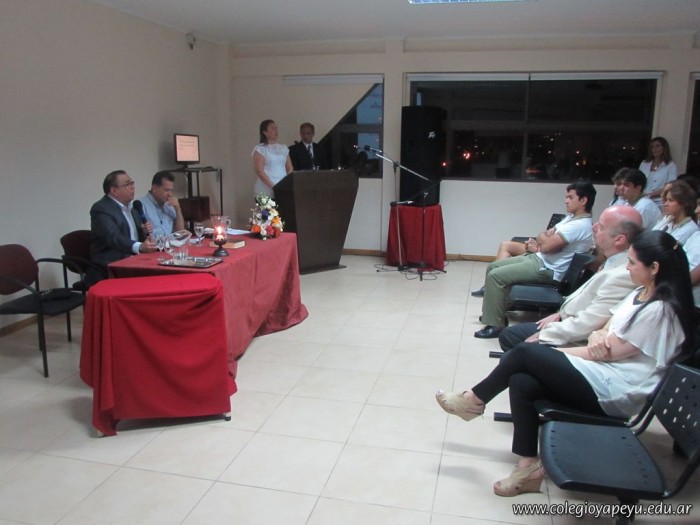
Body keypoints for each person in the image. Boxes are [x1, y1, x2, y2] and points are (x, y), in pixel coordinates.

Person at [437, 230, 694, 498]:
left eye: (632, 262)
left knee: (526, 353)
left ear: (654, 268)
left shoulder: (659, 311)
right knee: (521, 380)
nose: (626, 267)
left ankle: (473, 400)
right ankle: (527, 468)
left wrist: (558, 353)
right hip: (602, 374)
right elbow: (604, 330)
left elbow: (605, 352)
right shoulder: (641, 293)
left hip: (616, 391)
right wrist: (598, 337)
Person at [498, 205, 643, 351]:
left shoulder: (624, 274)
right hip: (568, 319)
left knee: (510, 337)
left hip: (577, 339)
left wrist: (545, 335)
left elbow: (588, 324)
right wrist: (560, 314)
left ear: (619, 239)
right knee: (510, 336)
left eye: (601, 226)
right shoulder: (612, 260)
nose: (594, 227)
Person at [475, 182, 596, 339]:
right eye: (566, 197)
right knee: (493, 267)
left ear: (583, 200)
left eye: (570, 197)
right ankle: (494, 313)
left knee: (496, 276)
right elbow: (545, 238)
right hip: (541, 259)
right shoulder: (570, 219)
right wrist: (544, 238)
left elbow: (545, 245)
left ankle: (496, 325)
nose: (566, 201)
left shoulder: (579, 225)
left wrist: (544, 238)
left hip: (549, 269)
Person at [86, 170, 157, 288]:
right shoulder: (101, 209)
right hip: (110, 264)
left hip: (134, 261)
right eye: (127, 184)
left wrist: (143, 232)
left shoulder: (133, 208)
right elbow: (113, 237)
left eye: (132, 183)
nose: (132, 187)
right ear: (114, 190)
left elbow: (133, 237)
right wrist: (140, 247)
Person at [138, 171, 185, 238]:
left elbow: (180, 233)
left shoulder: (169, 205)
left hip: (170, 243)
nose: (170, 194)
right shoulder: (140, 205)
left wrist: (178, 209)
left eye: (171, 190)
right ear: (154, 189)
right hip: (153, 244)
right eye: (166, 190)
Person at [253, 119, 293, 197]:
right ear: (265, 132)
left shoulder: (283, 148)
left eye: (276, 128)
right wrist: (274, 186)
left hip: (282, 188)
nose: (276, 130)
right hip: (264, 191)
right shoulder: (260, 149)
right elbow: (259, 171)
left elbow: (289, 168)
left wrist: (286, 184)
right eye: (272, 128)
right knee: (267, 205)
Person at [651, 180, 698, 244]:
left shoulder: (690, 228)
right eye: (666, 200)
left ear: (684, 203)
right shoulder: (667, 220)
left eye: (671, 200)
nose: (666, 204)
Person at [639, 136, 678, 208]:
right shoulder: (644, 163)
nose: (654, 149)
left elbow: (670, 185)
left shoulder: (670, 165)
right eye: (652, 147)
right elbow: (638, 181)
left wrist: (651, 195)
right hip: (643, 200)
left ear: (664, 148)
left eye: (657, 146)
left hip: (660, 202)